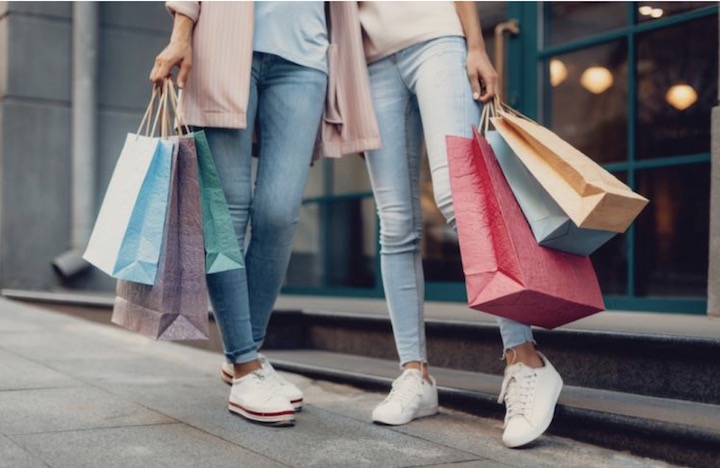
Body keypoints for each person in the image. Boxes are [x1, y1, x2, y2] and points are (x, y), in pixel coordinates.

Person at [150, 1, 380, 427]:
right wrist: (181, 35)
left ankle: (245, 355)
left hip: (306, 58)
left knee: (280, 212)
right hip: (223, 45)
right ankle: (245, 362)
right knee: (228, 212)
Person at [358, 1, 563, 448]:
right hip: (369, 64)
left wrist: (475, 44)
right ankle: (415, 374)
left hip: (437, 40)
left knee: (462, 197)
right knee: (394, 222)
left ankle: (526, 360)